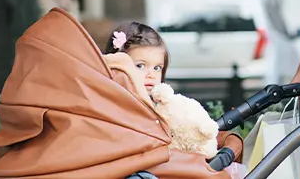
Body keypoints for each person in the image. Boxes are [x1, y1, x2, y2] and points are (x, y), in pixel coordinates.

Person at [101, 22, 244, 162]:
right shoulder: (115, 107)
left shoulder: (163, 106)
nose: (151, 75)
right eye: (140, 66)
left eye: (157, 68)